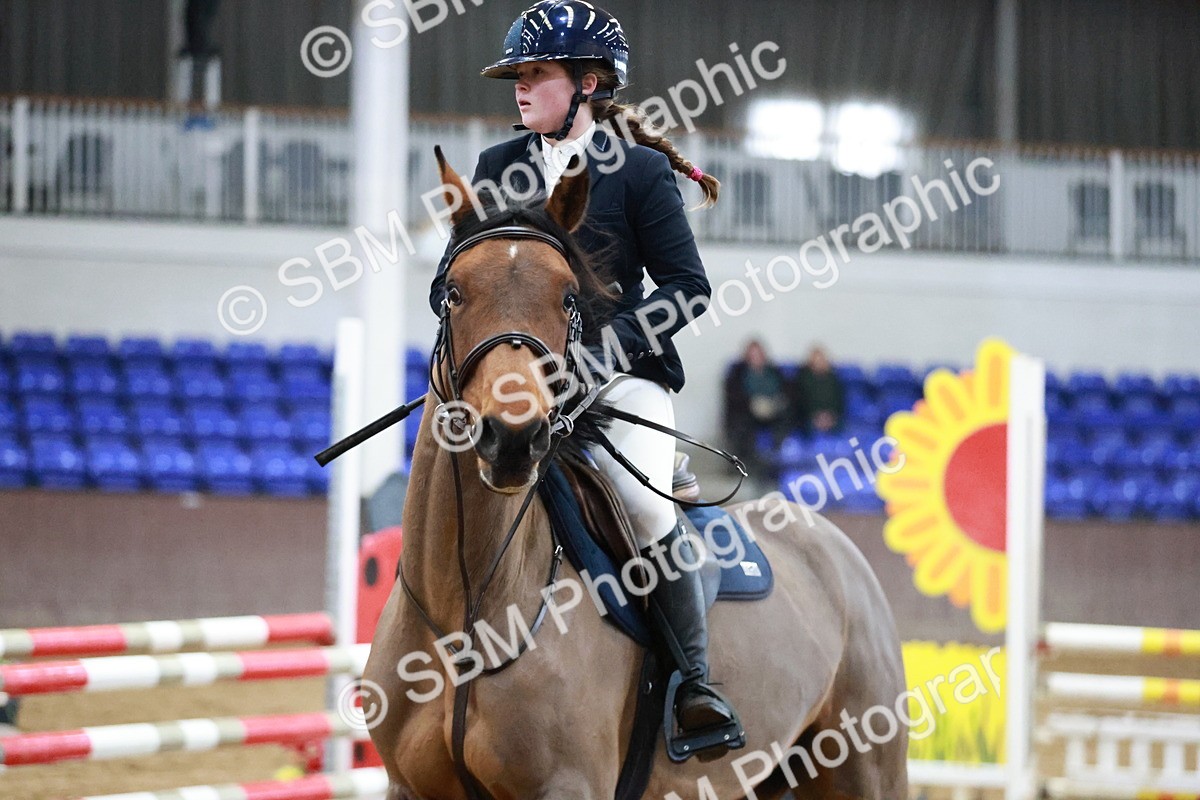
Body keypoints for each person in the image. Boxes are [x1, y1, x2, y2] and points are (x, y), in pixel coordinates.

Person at [428, 0, 740, 756]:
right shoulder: (498, 168)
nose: (520, 88)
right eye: (517, 76)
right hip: (514, 378)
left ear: (589, 83)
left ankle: (694, 683)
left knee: (639, 498)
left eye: (536, 74)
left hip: (617, 376)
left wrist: (605, 353)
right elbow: (455, 272)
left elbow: (687, 288)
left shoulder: (635, 174)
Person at [723, 339, 795, 472]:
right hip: (748, 413)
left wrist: (775, 404)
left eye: (758, 354)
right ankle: (747, 465)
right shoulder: (738, 373)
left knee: (786, 419)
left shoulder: (773, 371)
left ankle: (776, 460)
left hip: (773, 412)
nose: (755, 358)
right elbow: (733, 396)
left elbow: (786, 390)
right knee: (742, 427)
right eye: (752, 355)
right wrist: (752, 404)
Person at [796, 345, 846, 433]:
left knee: (845, 430)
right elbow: (802, 403)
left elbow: (839, 401)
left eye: (821, 359)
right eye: (816, 360)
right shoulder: (803, 380)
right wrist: (816, 417)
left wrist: (831, 416)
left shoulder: (833, 379)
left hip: (832, 418)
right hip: (811, 419)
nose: (819, 362)